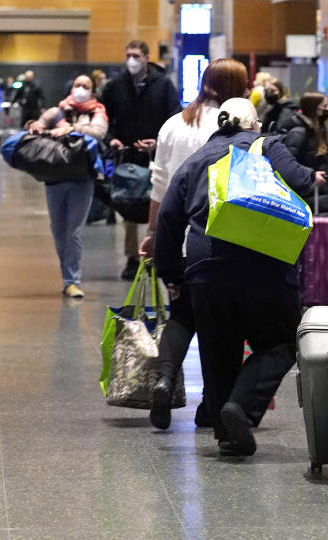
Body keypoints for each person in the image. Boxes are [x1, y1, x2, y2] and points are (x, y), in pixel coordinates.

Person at [154, 98, 325, 457]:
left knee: (219, 349)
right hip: (265, 262)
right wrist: (313, 177)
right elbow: (300, 182)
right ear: (253, 124)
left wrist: (172, 273)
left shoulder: (195, 161)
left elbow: (168, 220)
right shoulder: (266, 145)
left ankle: (226, 433)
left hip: (206, 266)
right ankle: (241, 408)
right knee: (280, 341)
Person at [139, 59, 251, 431]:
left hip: (179, 236)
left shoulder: (174, 124)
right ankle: (213, 405)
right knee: (224, 325)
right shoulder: (237, 127)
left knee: (183, 313)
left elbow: (159, 186)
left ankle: (164, 379)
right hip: (225, 239)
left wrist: (153, 234)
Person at [100, 39, 181, 281]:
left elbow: (174, 118)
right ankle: (132, 258)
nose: (131, 60)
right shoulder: (116, 85)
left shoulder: (163, 85)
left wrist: (159, 142)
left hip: (157, 155)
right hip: (127, 154)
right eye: (128, 55)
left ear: (146, 57)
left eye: (136, 55)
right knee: (129, 207)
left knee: (157, 206)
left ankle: (155, 254)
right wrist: (111, 139)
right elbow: (105, 118)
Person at [27, 75, 108, 298]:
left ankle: (72, 280)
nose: (80, 89)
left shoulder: (97, 112)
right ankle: (68, 275)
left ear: (92, 91)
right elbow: (40, 123)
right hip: (55, 177)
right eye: (77, 85)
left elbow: (99, 132)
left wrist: (71, 129)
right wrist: (36, 126)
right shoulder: (58, 111)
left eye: (86, 86)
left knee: (73, 231)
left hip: (82, 178)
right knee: (58, 230)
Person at [277, 91, 328, 170]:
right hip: (308, 180)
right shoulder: (299, 132)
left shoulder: (316, 128)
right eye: (325, 106)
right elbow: (290, 163)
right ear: (314, 108)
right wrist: (312, 176)